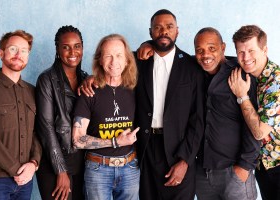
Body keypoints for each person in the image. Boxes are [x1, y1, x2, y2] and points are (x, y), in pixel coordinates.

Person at [137, 26, 260, 200]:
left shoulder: (240, 76)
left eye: (212, 48)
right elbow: (169, 52)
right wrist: (150, 43)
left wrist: (245, 167)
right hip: (203, 173)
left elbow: (252, 123)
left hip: (233, 171)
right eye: (199, 50)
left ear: (223, 48)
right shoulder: (193, 71)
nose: (206, 55)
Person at [133, 9, 204, 200]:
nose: (164, 31)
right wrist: (91, 80)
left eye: (169, 27)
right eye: (158, 27)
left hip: (179, 151)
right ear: (151, 33)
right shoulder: (136, 62)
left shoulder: (192, 68)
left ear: (177, 31)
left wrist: (185, 161)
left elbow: (198, 120)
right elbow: (108, 65)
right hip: (146, 150)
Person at [72, 34, 140, 200]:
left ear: (127, 60)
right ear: (100, 60)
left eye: (119, 56)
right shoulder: (89, 92)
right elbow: (77, 139)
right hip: (98, 169)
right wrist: (115, 142)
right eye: (108, 56)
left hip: (130, 168)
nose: (114, 62)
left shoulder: (136, 90)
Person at [0, 30, 41, 200]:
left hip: (26, 180)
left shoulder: (32, 92)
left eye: (24, 50)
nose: (18, 54)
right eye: (13, 49)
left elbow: (38, 133)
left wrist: (33, 163)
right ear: (1, 53)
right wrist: (16, 169)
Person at [35, 25, 88, 200]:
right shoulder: (46, 79)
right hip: (53, 162)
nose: (72, 51)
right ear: (57, 49)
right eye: (66, 46)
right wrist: (61, 170)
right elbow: (46, 127)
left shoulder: (87, 79)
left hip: (81, 161)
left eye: (77, 46)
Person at [228, 25, 280, 200]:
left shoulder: (276, 83)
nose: (246, 58)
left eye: (251, 51)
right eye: (240, 52)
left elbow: (259, 132)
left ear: (264, 50)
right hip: (264, 167)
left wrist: (242, 95)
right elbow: (213, 60)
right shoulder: (249, 73)